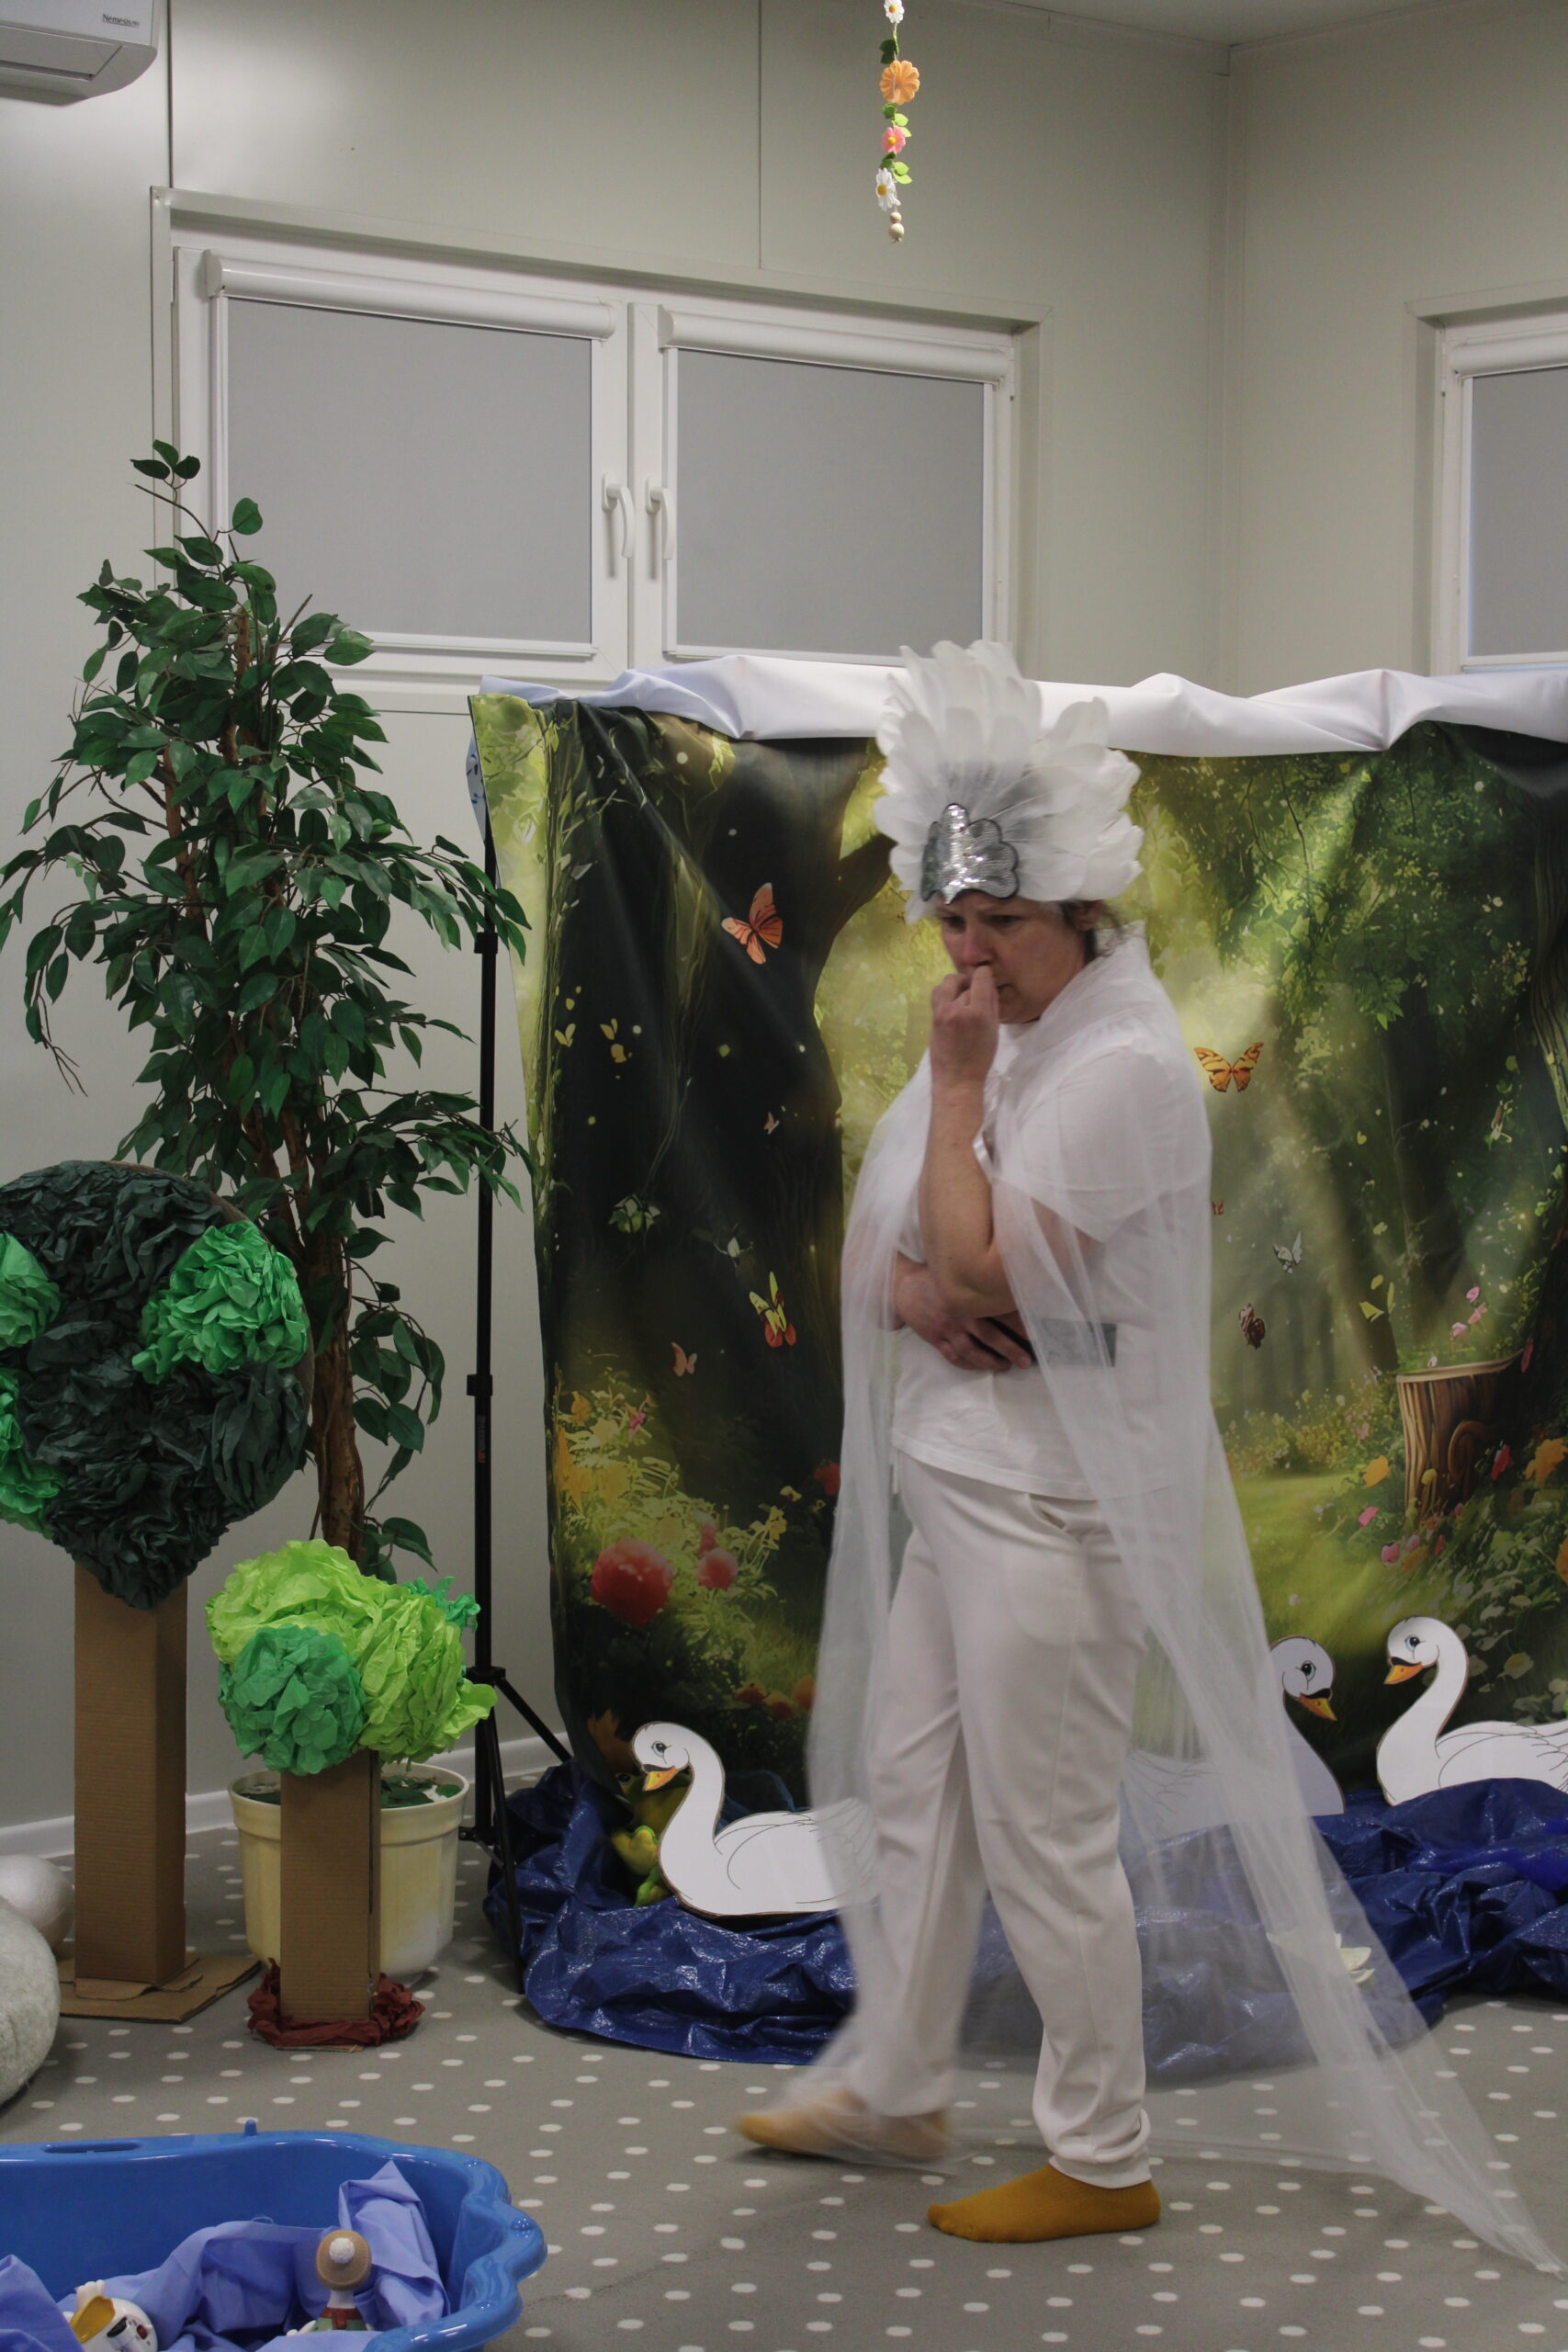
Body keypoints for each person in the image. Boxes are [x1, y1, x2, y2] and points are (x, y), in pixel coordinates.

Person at [736, 641, 1554, 2271]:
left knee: (1044, 1831)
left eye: (1001, 921)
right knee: (916, 1788)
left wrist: (954, 1119)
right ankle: (900, 2082)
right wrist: (926, 1277)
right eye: (953, 919)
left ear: (1082, 909)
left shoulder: (1110, 1066)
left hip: (1054, 1509)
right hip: (965, 1484)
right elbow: (896, 1257)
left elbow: (979, 1267)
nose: (968, 953)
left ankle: (1102, 2153)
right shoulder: (1026, 1039)